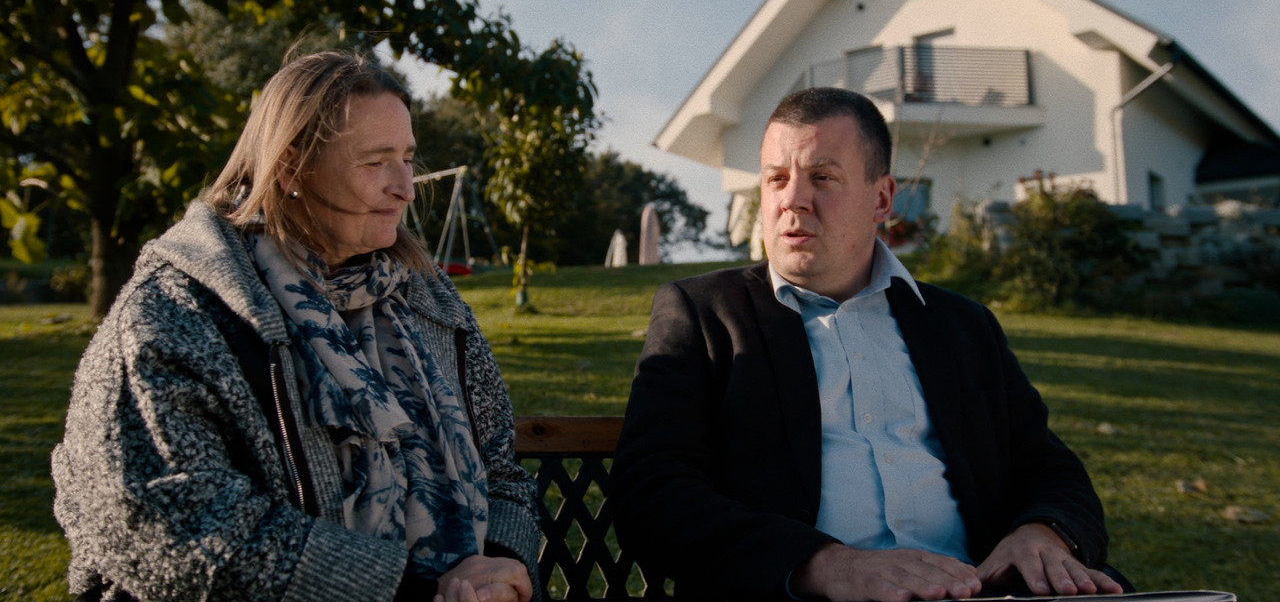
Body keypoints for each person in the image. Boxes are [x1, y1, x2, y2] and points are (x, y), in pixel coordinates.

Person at [52, 50, 539, 602]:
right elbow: (166, 516)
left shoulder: (429, 298)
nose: (406, 185)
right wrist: (406, 591)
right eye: (376, 162)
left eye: (408, 157)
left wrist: (500, 567)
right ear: (291, 169)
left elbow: (500, 467)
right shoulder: (176, 312)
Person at [611, 87, 1126, 602]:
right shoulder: (705, 315)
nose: (792, 199)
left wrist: (1041, 533)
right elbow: (652, 492)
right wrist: (822, 566)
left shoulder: (962, 327)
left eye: (823, 177)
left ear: (881, 199)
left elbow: (1051, 469)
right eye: (776, 179)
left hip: (976, 592)